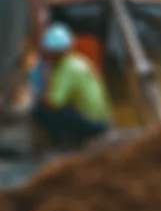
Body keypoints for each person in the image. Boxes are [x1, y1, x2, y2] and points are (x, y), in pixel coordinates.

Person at [31, 23, 111, 151]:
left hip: (94, 124)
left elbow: (54, 102)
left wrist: (42, 90)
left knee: (40, 110)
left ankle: (62, 144)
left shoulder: (66, 68)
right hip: (102, 120)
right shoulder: (79, 61)